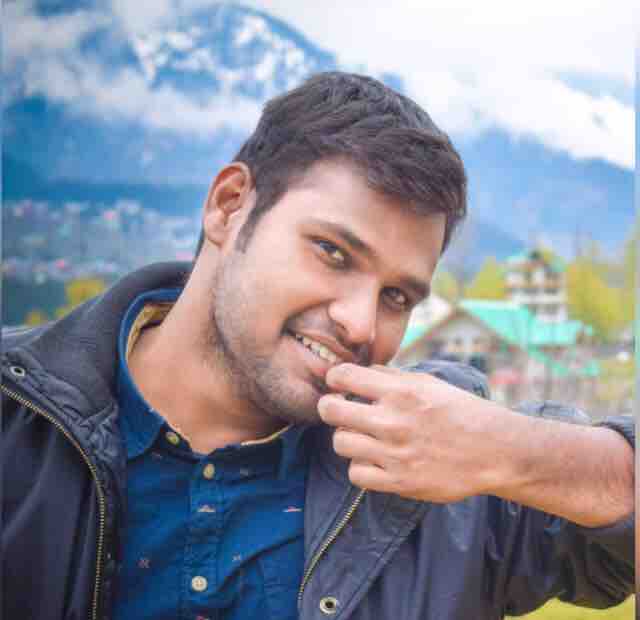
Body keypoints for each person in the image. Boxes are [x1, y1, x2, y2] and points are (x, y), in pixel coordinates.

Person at [2, 72, 634, 620]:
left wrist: (507, 448)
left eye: (396, 297)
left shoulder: (443, 478)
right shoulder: (18, 422)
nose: (361, 324)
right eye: (333, 252)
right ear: (228, 206)